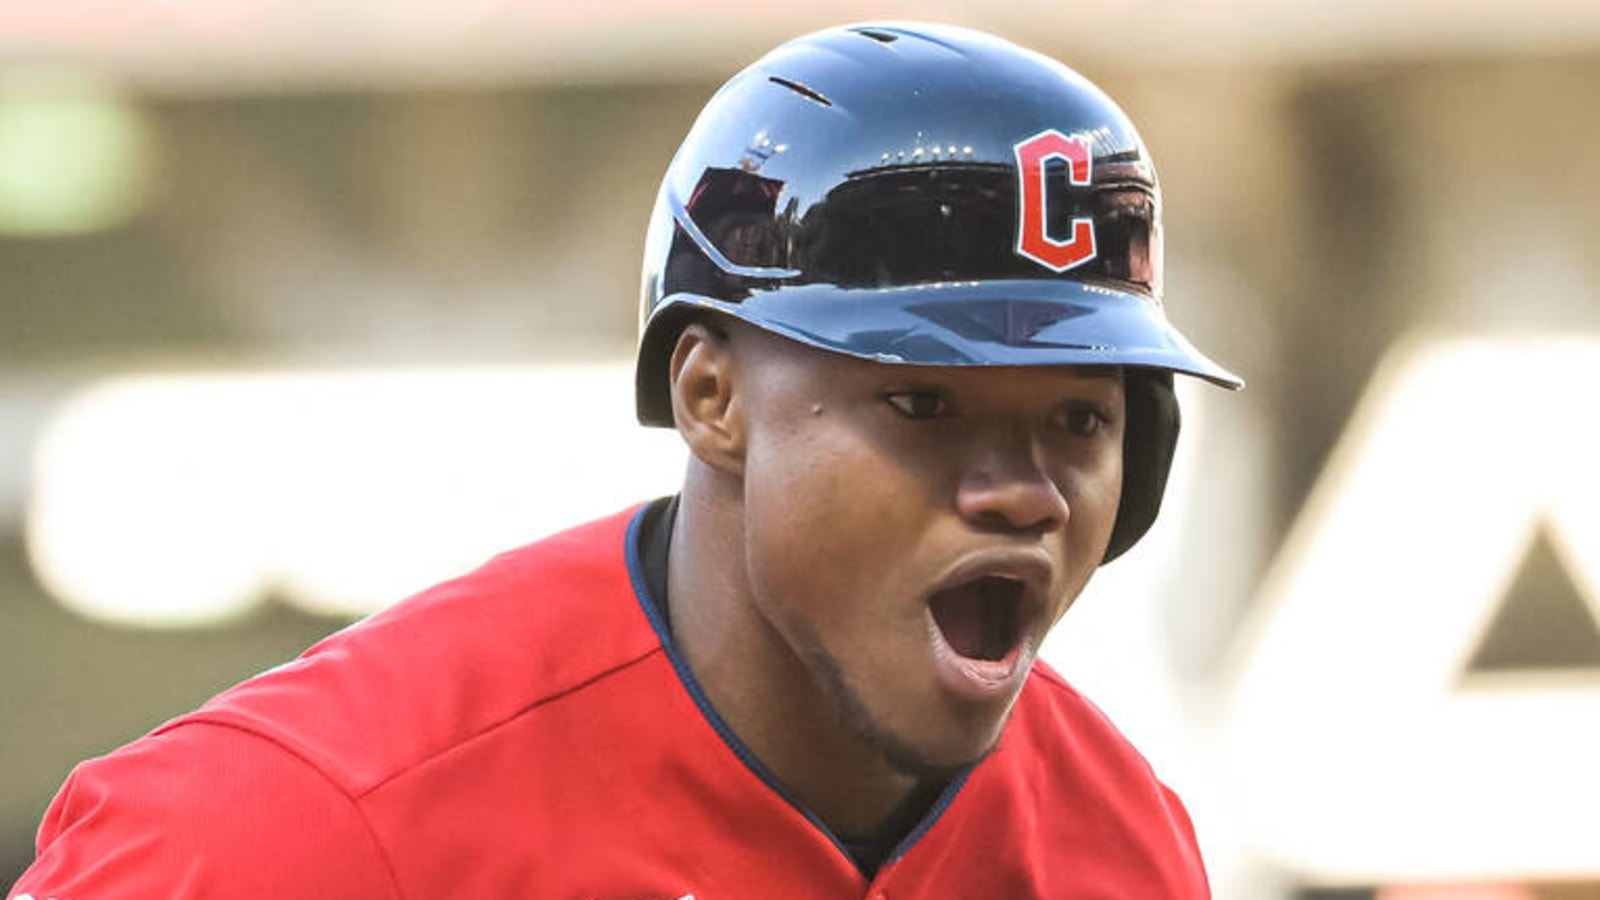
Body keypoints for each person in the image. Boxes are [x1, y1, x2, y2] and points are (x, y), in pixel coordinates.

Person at [9, 21, 1240, 900]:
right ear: (711, 398)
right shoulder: (294, 831)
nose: (1020, 490)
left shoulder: (1114, 842)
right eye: (922, 402)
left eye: (1079, 419)